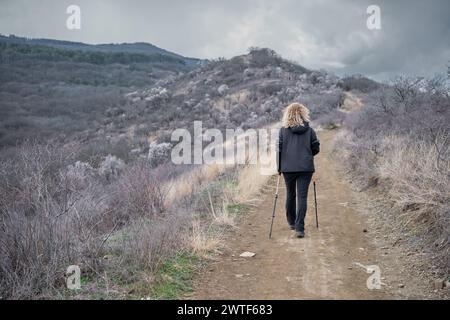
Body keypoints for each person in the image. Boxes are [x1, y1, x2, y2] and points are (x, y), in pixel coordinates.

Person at [277, 103, 320, 238]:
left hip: (288, 169)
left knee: (290, 194)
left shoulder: (283, 131)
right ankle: (299, 229)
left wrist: (279, 168)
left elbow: (278, 150)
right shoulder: (310, 131)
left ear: (288, 114)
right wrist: (307, 153)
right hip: (305, 168)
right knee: (302, 197)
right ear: (303, 114)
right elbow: (316, 149)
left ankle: (292, 223)